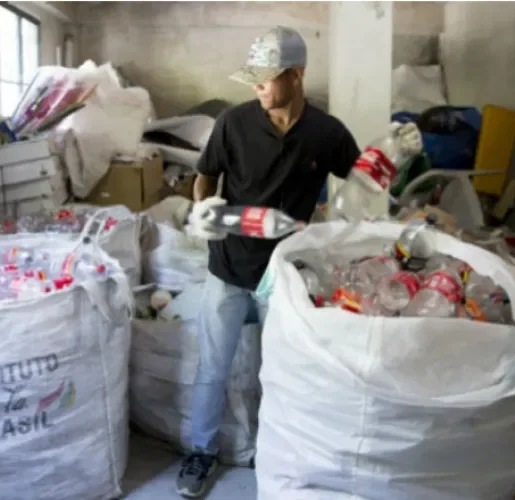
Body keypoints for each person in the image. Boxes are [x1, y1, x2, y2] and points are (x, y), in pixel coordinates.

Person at [175, 26, 422, 498]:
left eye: (266, 78)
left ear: (297, 74)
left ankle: (277, 453)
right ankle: (201, 453)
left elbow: (363, 186)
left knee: (282, 369)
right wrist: (205, 211)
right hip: (228, 266)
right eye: (255, 79)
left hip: (285, 276)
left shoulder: (326, 133)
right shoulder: (233, 123)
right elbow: (205, 179)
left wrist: (396, 156)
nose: (257, 87)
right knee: (213, 367)